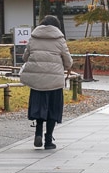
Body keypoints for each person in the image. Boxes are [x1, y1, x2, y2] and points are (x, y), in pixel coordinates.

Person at [19, 15, 73, 149]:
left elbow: (25, 57)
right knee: (53, 110)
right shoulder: (60, 39)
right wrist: (67, 66)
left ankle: (38, 132)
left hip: (37, 81)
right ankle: (48, 140)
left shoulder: (34, 37)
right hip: (54, 81)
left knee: (39, 108)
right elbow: (68, 61)